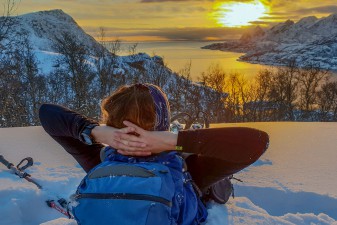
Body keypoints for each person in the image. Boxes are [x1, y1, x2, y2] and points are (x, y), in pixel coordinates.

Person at [39, 83, 269, 222]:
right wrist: (174, 141)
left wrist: (95, 132)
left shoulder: (100, 160)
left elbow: (47, 114)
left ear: (111, 123)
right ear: (164, 123)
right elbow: (257, 142)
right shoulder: (190, 168)